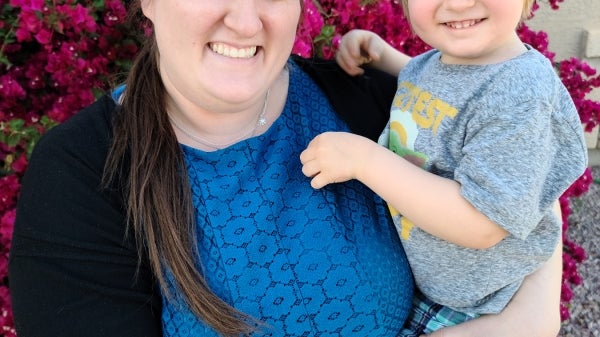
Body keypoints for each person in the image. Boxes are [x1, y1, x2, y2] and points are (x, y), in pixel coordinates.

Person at [8, 0, 564, 336]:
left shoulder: (358, 97)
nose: (246, 20)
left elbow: (507, 170)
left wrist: (535, 314)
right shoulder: (81, 175)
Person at [301, 0, 588, 336]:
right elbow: (445, 97)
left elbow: (482, 222)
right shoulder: (447, 62)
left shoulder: (521, 92)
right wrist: (382, 54)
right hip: (438, 284)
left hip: (476, 304)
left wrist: (364, 161)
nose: (459, 3)